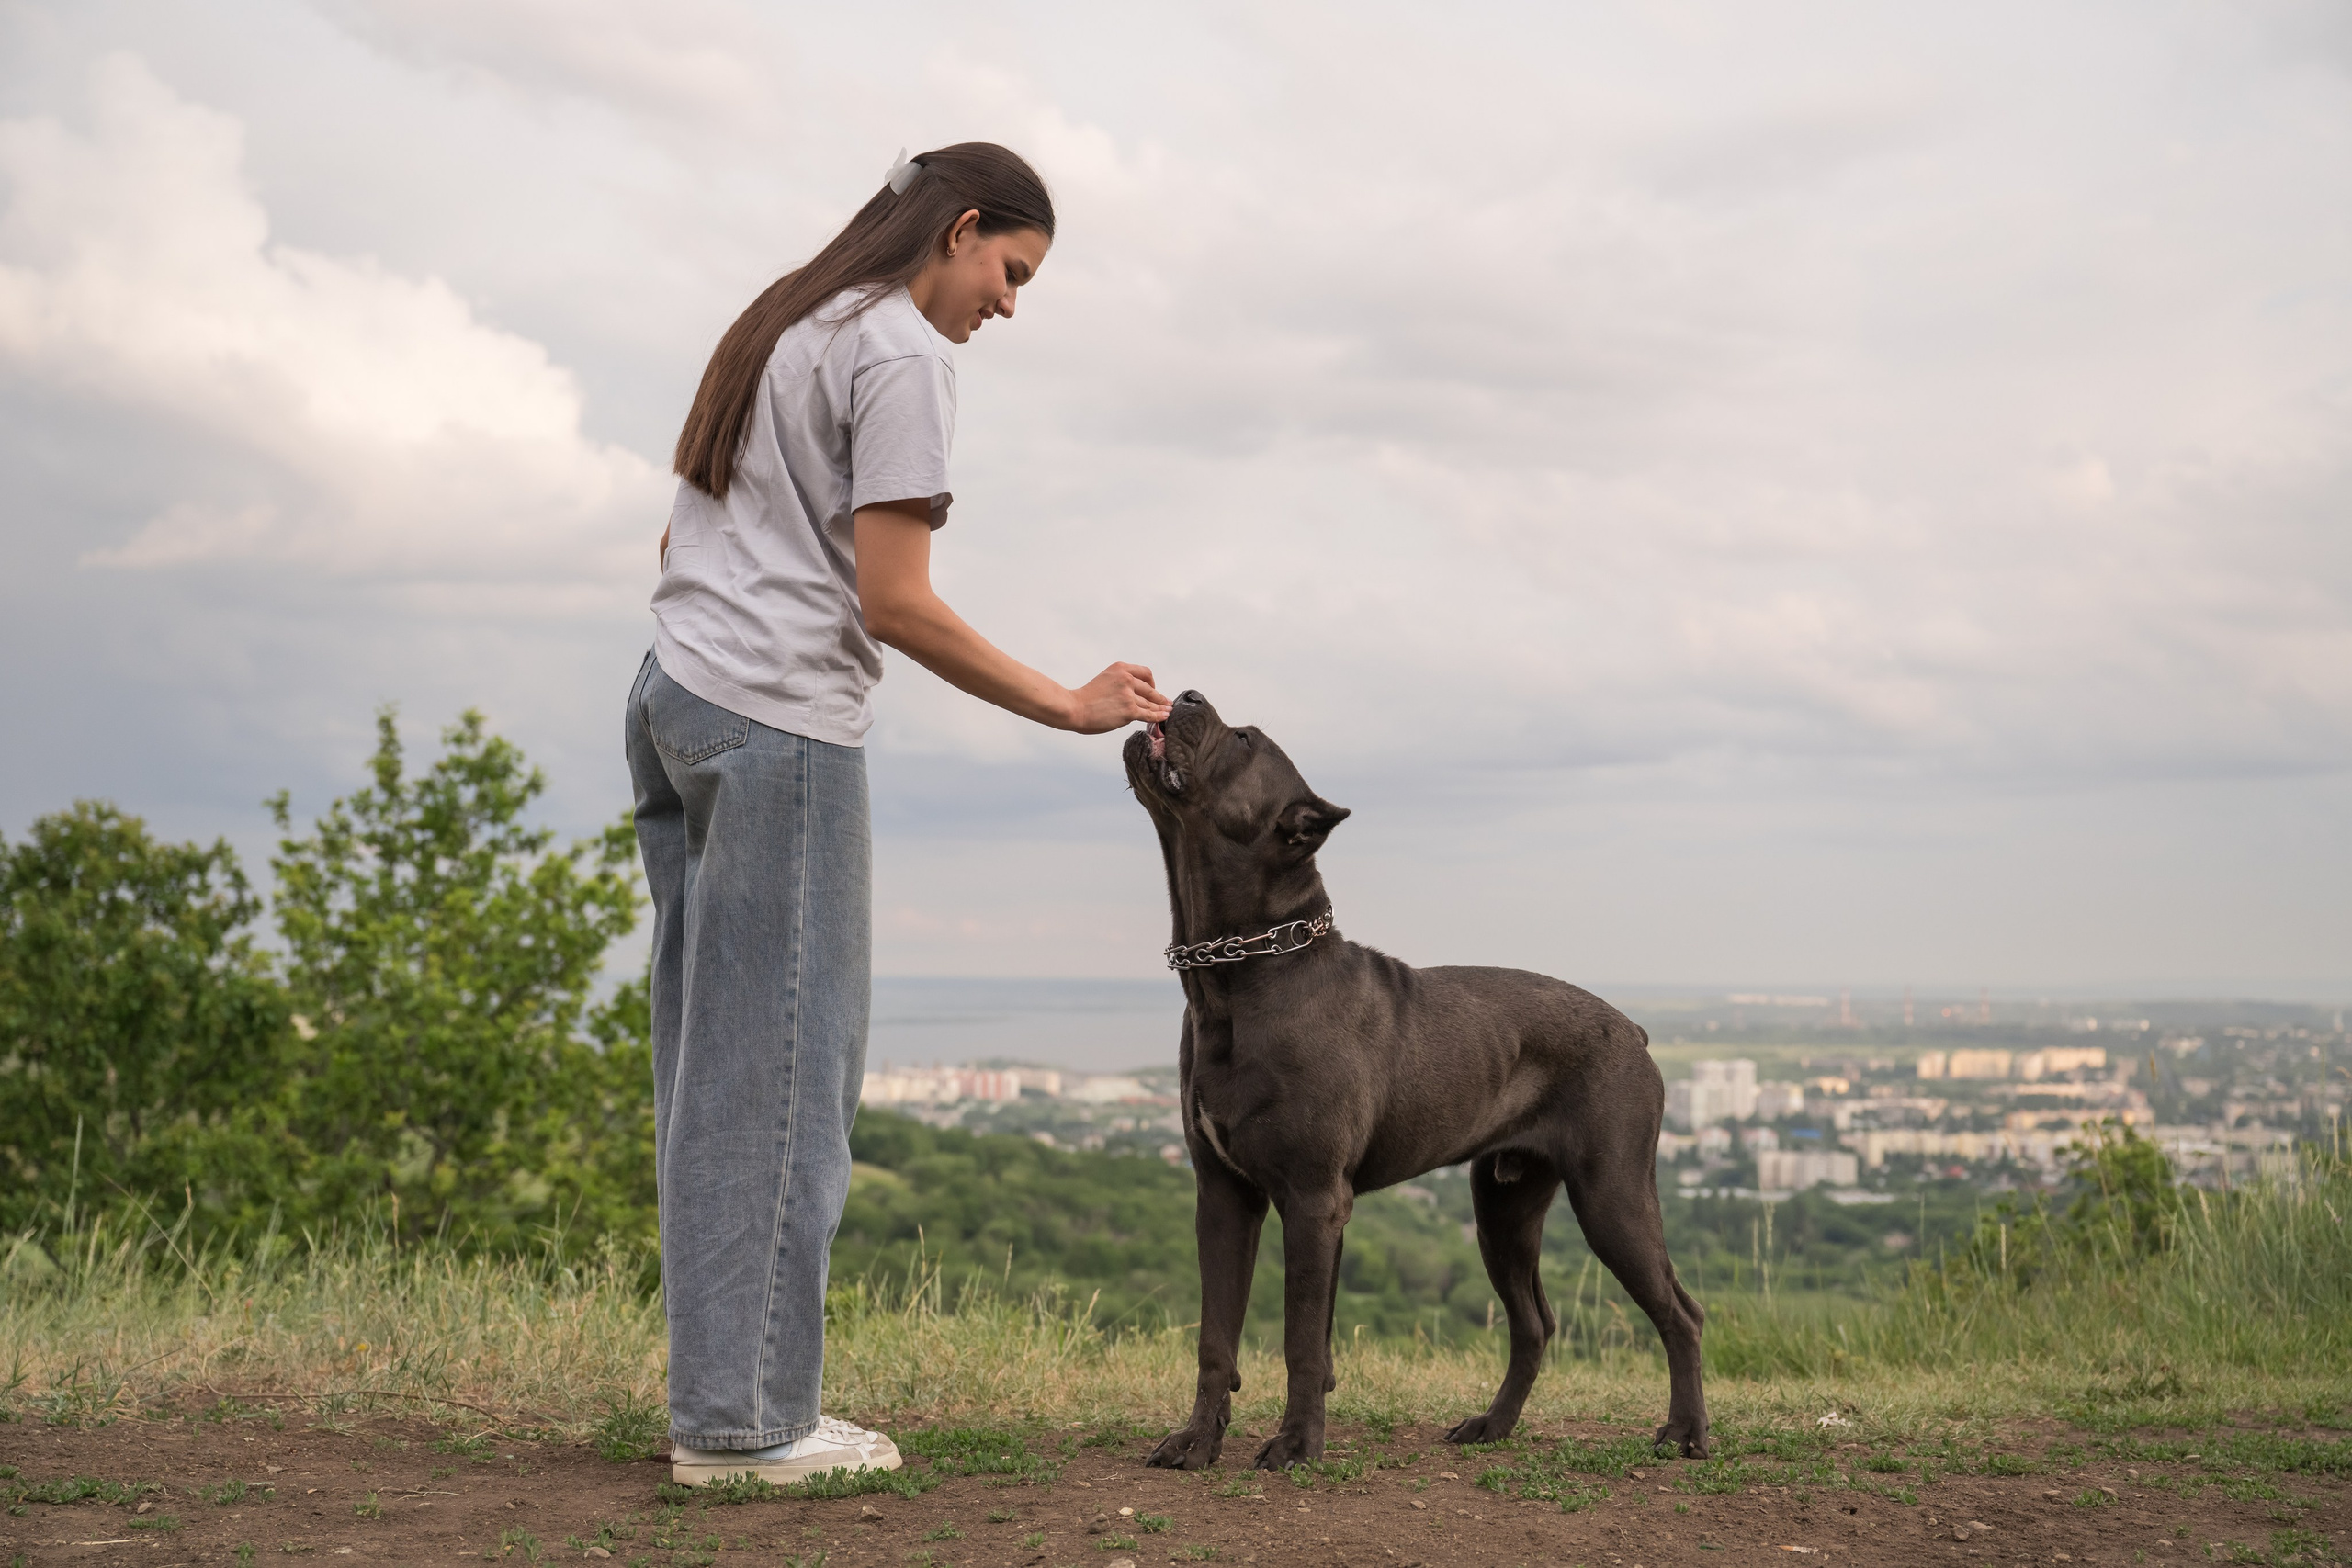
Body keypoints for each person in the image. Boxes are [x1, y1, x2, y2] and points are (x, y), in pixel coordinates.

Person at [624, 143, 1170, 1487]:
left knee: (711, 1076)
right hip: (778, 732)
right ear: (962, 228)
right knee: (786, 1086)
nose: (1008, 305)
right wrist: (1069, 703)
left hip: (673, 695)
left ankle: (724, 1403)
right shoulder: (906, 357)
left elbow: (677, 542)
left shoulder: (786, 320)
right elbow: (894, 600)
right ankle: (746, 1431)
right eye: (1011, 271)